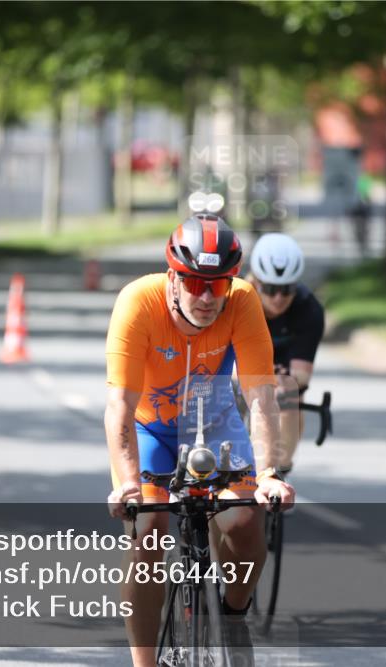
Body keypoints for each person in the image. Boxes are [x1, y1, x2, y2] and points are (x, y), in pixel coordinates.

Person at [104, 213, 296, 667]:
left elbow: (262, 399)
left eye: (219, 284)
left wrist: (268, 473)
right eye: (194, 283)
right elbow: (120, 409)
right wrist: (129, 484)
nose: (207, 297)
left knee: (246, 520)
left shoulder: (242, 301)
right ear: (173, 277)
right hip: (150, 429)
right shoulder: (138, 302)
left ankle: (232, 616)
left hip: (214, 425)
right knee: (148, 532)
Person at [246, 233, 326, 474]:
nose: (279, 298)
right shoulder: (237, 299)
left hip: (282, 368)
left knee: (288, 391)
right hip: (244, 363)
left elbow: (301, 375)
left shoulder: (308, 308)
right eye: (270, 289)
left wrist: (274, 380)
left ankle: (280, 470)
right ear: (256, 282)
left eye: (286, 289)